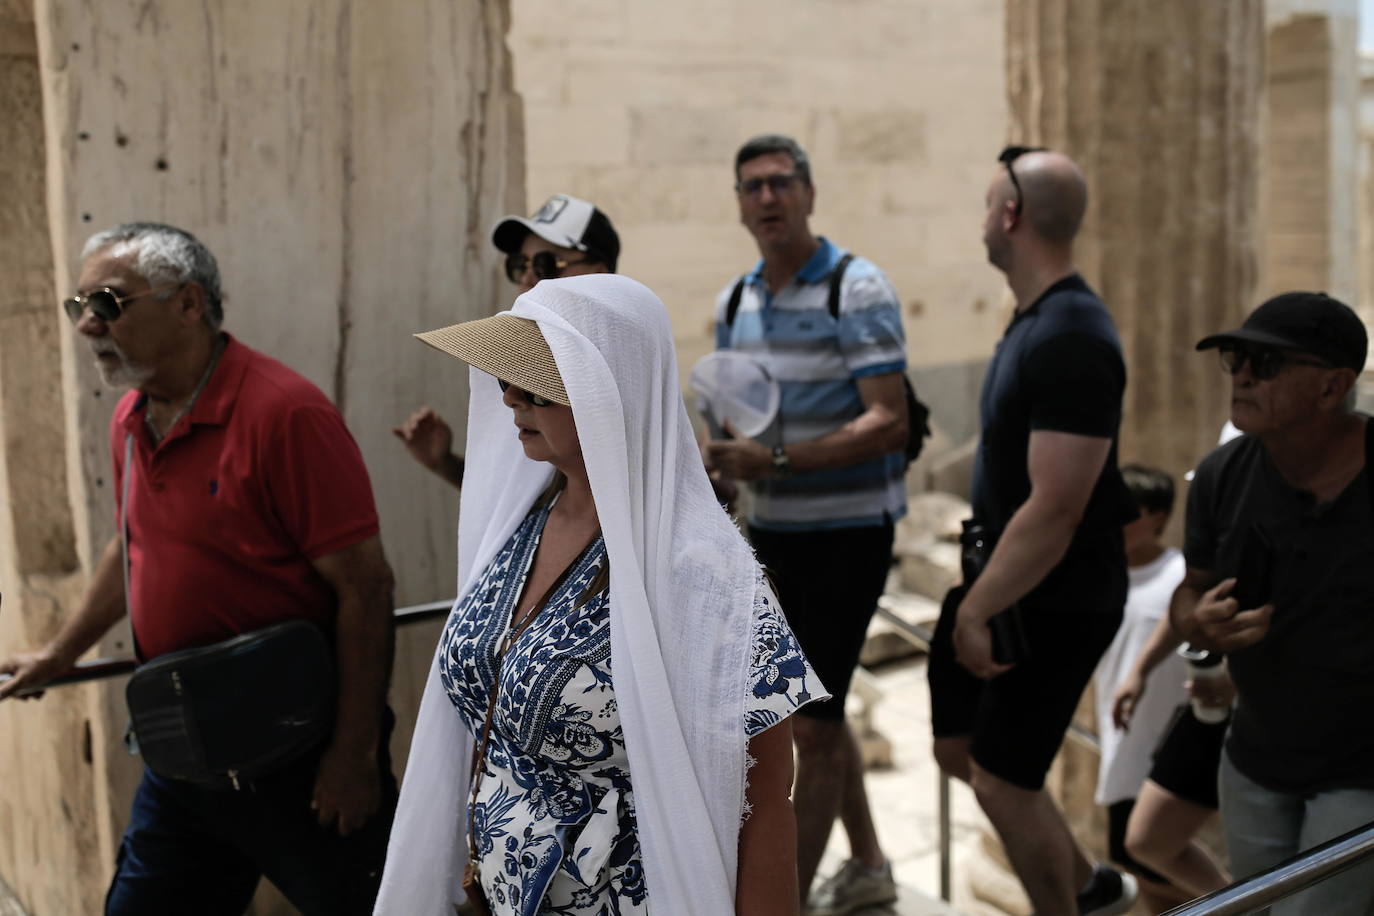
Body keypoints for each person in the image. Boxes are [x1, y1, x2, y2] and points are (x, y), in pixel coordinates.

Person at [375, 274, 824, 915]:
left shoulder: (704, 577)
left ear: (609, 395)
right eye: (504, 380)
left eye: (533, 385)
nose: (508, 400)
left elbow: (765, 799)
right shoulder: (521, 525)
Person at [0, 222, 397, 915]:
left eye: (110, 304)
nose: (89, 325)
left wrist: (354, 756)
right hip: (182, 749)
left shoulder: (285, 413)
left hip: (295, 751)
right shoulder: (131, 415)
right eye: (79, 306)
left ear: (188, 305)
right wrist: (61, 652)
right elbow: (131, 546)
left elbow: (366, 588)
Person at [927, 146, 1139, 915]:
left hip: (1056, 595)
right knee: (958, 747)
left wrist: (980, 609)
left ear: (1011, 215)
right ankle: (1091, 885)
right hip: (1006, 580)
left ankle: (1072, 905)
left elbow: (1057, 507)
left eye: (988, 204)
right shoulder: (1038, 321)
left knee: (1003, 779)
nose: (983, 219)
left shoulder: (1073, 337)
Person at [700, 134, 908, 915]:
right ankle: (871, 862)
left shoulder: (856, 289)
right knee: (814, 708)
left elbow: (887, 421)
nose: (766, 198)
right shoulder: (735, 300)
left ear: (809, 193)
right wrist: (725, 466)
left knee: (809, 727)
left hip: (851, 532)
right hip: (772, 534)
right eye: (750, 186)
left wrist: (776, 462)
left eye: (780, 183)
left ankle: (789, 902)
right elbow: (737, 412)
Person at [1173, 291, 1374, 915]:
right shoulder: (1218, 477)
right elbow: (1189, 593)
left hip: (1361, 769)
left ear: (1331, 386)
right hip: (1255, 758)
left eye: (1268, 362)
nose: (1243, 376)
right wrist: (1199, 624)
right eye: (1235, 358)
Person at [393, 193, 620, 490]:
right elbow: (518, 503)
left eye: (546, 264)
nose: (527, 277)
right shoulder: (526, 357)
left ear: (598, 272)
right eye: (519, 264)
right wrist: (445, 463)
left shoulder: (621, 368)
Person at [1096, 465, 1230, 912]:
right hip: (1122, 742)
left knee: (1156, 854)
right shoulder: (1104, 574)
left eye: (1125, 511)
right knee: (1139, 861)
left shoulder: (1178, 577)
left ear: (1156, 516)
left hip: (1168, 744)